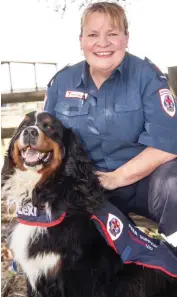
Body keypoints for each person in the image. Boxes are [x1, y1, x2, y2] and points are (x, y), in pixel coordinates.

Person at [44, 2, 177, 251]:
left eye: (113, 34)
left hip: (144, 184)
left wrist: (116, 178)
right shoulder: (61, 83)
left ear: (126, 38)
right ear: (81, 40)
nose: (102, 43)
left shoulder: (147, 77)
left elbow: (168, 143)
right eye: (93, 34)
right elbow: (46, 144)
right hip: (83, 185)